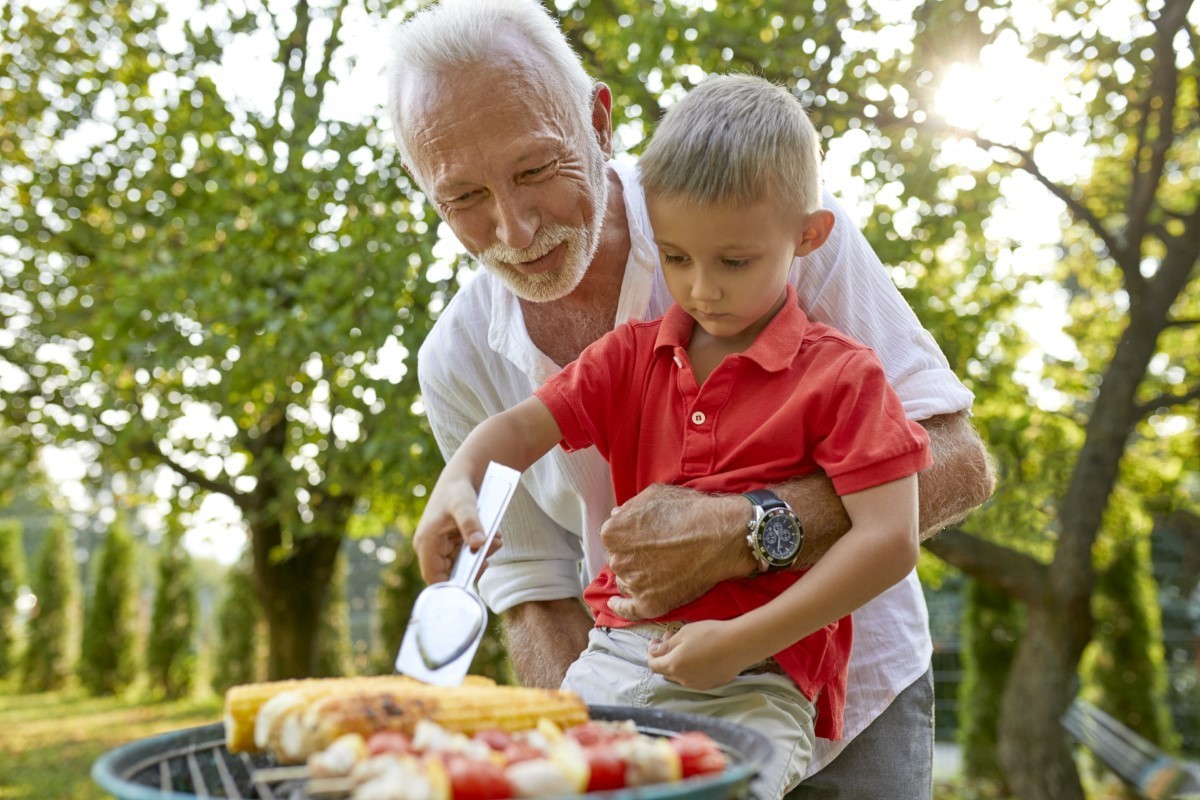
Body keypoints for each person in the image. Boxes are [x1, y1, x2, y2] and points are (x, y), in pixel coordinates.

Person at [389, 0, 995, 796]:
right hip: (628, 687)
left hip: (848, 713)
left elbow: (957, 464)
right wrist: (583, 764)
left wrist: (752, 531)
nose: (514, 224)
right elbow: (536, 600)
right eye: (461, 198)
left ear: (597, 122)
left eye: (536, 170)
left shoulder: (770, 228)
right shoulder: (459, 358)